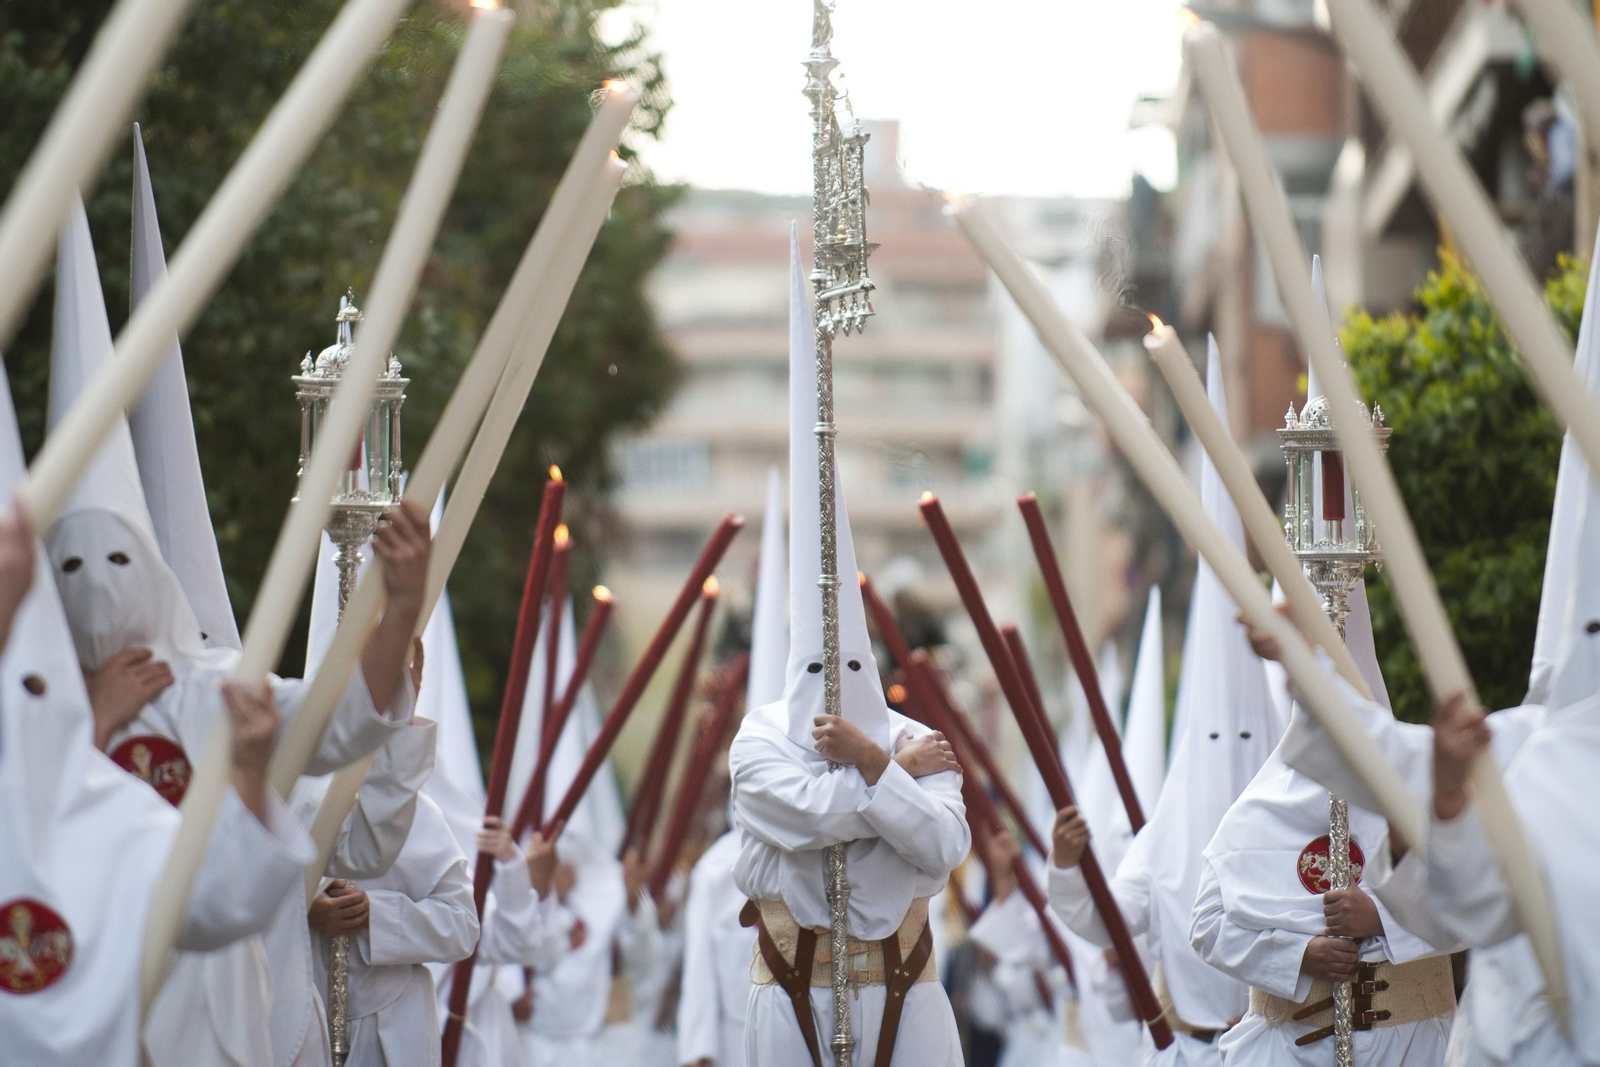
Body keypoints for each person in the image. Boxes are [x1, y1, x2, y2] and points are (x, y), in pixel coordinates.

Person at [729, 228, 968, 1067]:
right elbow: (795, 813)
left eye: (852, 668)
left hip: (909, 1003)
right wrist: (890, 778)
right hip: (789, 1003)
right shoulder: (760, 738)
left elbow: (942, 850)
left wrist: (873, 759)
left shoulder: (906, 740)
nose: (834, 685)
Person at [1047, 338, 1282, 1066]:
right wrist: (1066, 863)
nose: (1231, 755)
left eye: (1248, 738)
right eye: (1217, 738)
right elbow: (1104, 917)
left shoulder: (1292, 816)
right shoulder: (1166, 836)